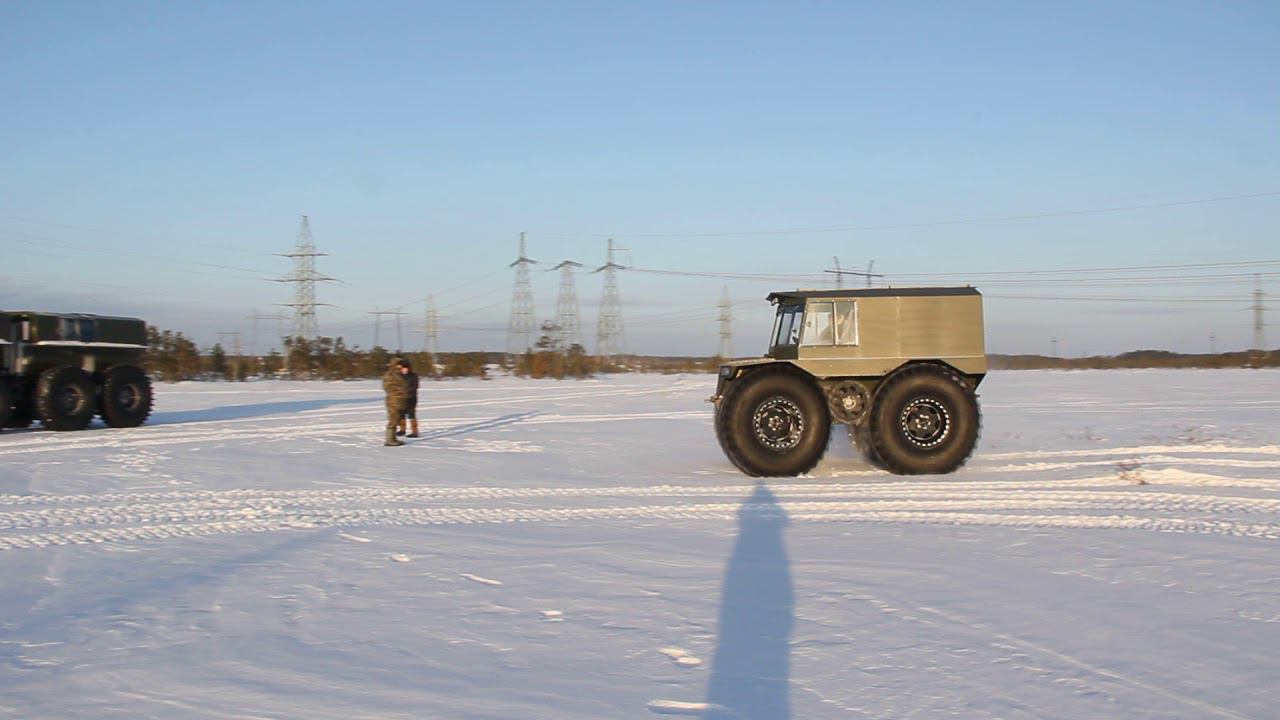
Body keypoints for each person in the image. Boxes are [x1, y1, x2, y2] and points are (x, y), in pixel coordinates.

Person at [382, 356, 409, 447]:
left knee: (397, 419)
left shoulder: (400, 373)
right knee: (393, 419)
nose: (400, 366)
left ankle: (393, 438)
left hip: (400, 400)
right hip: (393, 400)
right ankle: (390, 440)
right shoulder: (390, 374)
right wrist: (398, 392)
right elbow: (387, 387)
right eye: (398, 364)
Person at [397, 358, 420, 438]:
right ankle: (402, 430)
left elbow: (415, 386)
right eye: (402, 368)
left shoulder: (413, 376)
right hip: (401, 398)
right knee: (401, 414)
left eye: (405, 368)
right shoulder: (399, 376)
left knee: (411, 414)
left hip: (411, 398)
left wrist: (406, 390)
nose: (404, 370)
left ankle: (415, 432)